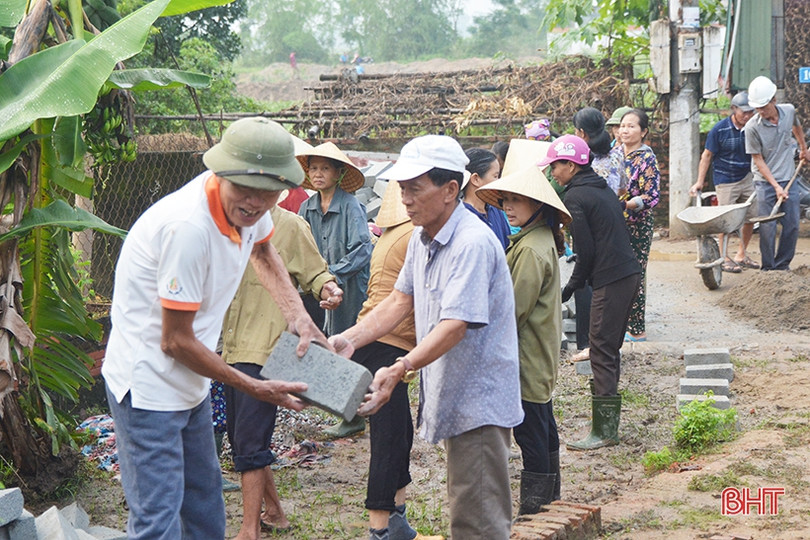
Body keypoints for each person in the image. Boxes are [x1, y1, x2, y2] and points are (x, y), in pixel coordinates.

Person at [102, 117, 327, 539]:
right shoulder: (187, 230)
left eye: (270, 192)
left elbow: (264, 252)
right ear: (220, 173)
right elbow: (174, 341)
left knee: (205, 511)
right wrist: (255, 386)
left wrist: (300, 318)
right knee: (158, 519)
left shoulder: (251, 207)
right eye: (245, 188)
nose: (256, 202)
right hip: (148, 388)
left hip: (192, 385)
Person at [330, 135, 523, 540]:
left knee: (479, 522)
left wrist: (400, 367)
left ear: (451, 189)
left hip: (480, 400)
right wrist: (350, 339)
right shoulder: (422, 237)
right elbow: (399, 301)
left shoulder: (471, 242)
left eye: (415, 189)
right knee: (466, 507)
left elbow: (455, 324)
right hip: (454, 390)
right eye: (402, 190)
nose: (406, 200)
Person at [221, 202, 343, 540]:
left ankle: (248, 530)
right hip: (230, 346)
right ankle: (273, 512)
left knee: (248, 440)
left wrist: (329, 290)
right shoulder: (227, 223)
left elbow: (316, 272)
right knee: (243, 437)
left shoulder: (290, 225)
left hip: (267, 348)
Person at [476, 139, 571, 513]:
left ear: (537, 205)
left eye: (516, 200)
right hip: (538, 356)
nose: (508, 207)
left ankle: (536, 512)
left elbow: (512, 311)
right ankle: (551, 503)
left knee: (532, 434)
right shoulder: (536, 239)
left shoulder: (530, 249)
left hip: (527, 357)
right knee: (544, 427)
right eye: (505, 201)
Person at [352, 181, 442, 540]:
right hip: (384, 346)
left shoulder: (392, 233)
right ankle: (380, 530)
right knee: (388, 442)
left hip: (384, 344)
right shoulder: (412, 237)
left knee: (400, 435)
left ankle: (398, 521)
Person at [540, 135, 641, 451]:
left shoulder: (576, 198)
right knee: (607, 348)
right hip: (626, 273)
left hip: (612, 278)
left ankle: (604, 432)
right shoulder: (598, 187)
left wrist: (570, 287)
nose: (553, 173)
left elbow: (585, 251)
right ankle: (605, 423)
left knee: (599, 347)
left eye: (555, 166)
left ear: (570, 165)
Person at [297, 141, 372, 437]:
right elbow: (302, 247)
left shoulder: (352, 205)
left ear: (338, 173)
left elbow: (362, 249)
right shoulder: (306, 207)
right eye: (313, 168)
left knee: (346, 344)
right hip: (320, 289)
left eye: (325, 168)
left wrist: (332, 276)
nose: (318, 174)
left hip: (349, 287)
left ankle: (354, 415)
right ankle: (346, 411)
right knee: (325, 344)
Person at [570, 107, 627, 362]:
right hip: (613, 225)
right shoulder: (616, 155)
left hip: (590, 225)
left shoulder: (586, 162)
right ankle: (605, 344)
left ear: (581, 133)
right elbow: (624, 186)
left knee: (586, 283)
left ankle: (588, 344)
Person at [745, 75, 810, 271]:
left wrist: (803, 148)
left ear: (774, 100)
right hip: (765, 182)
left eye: (764, 107)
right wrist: (776, 187)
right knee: (768, 227)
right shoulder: (752, 128)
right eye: (757, 108)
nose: (760, 111)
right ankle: (768, 268)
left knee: (791, 226)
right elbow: (758, 160)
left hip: (789, 177)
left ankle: (782, 266)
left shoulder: (788, 111)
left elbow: (797, 126)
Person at [688, 92, 758, 272]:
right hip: (725, 180)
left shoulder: (754, 127)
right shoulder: (719, 130)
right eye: (744, 112)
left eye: (751, 112)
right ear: (734, 110)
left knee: (750, 218)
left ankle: (741, 254)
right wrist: (699, 182)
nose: (748, 116)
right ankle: (724, 256)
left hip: (747, 177)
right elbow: (707, 156)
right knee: (725, 220)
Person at [618, 108, 660, 342]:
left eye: (631, 126)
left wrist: (628, 204)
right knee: (619, 274)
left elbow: (652, 196)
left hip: (638, 224)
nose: (625, 130)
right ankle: (621, 324)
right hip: (617, 222)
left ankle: (637, 329)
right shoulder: (616, 154)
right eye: (623, 125)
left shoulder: (647, 158)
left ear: (643, 132)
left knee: (635, 273)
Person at [461, 147, 510, 249]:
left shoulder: (494, 210)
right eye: (495, 176)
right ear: (476, 179)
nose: (499, 181)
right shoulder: (462, 217)